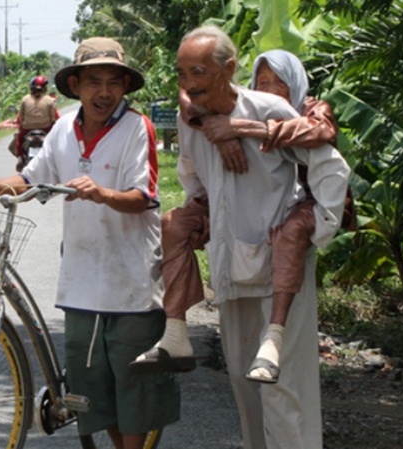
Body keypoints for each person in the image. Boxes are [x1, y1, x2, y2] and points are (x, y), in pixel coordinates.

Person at [0, 37, 179, 449]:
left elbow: (144, 197)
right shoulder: (62, 130)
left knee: (133, 395)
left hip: (131, 283)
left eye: (112, 81)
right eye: (93, 81)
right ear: (76, 86)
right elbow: (30, 179)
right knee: (97, 397)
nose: (103, 92)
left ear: (124, 86)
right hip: (82, 283)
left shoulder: (135, 127)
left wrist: (102, 193)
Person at [170, 26, 349, 449]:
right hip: (232, 263)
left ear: (228, 69)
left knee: (284, 388)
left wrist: (314, 229)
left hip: (279, 264)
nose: (188, 83)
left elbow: (330, 167)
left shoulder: (271, 109)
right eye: (181, 74)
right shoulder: (193, 119)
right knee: (242, 380)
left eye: (198, 71)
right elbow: (192, 176)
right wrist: (204, 215)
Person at [132, 49, 355, 383]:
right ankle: (176, 331)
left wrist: (245, 128)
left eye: (278, 84)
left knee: (290, 233)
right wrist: (216, 130)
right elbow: (189, 94)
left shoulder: (308, 109)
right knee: (174, 224)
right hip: (237, 211)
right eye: (261, 82)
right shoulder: (231, 109)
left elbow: (320, 131)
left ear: (293, 84)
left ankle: (274, 337)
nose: (269, 91)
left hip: (304, 202)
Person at [10, 75, 59, 170]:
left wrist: (21, 123)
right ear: (44, 88)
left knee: (20, 140)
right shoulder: (49, 100)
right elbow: (52, 117)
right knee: (54, 142)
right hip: (45, 128)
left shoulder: (25, 99)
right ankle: (55, 160)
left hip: (27, 128)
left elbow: (21, 116)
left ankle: (20, 159)